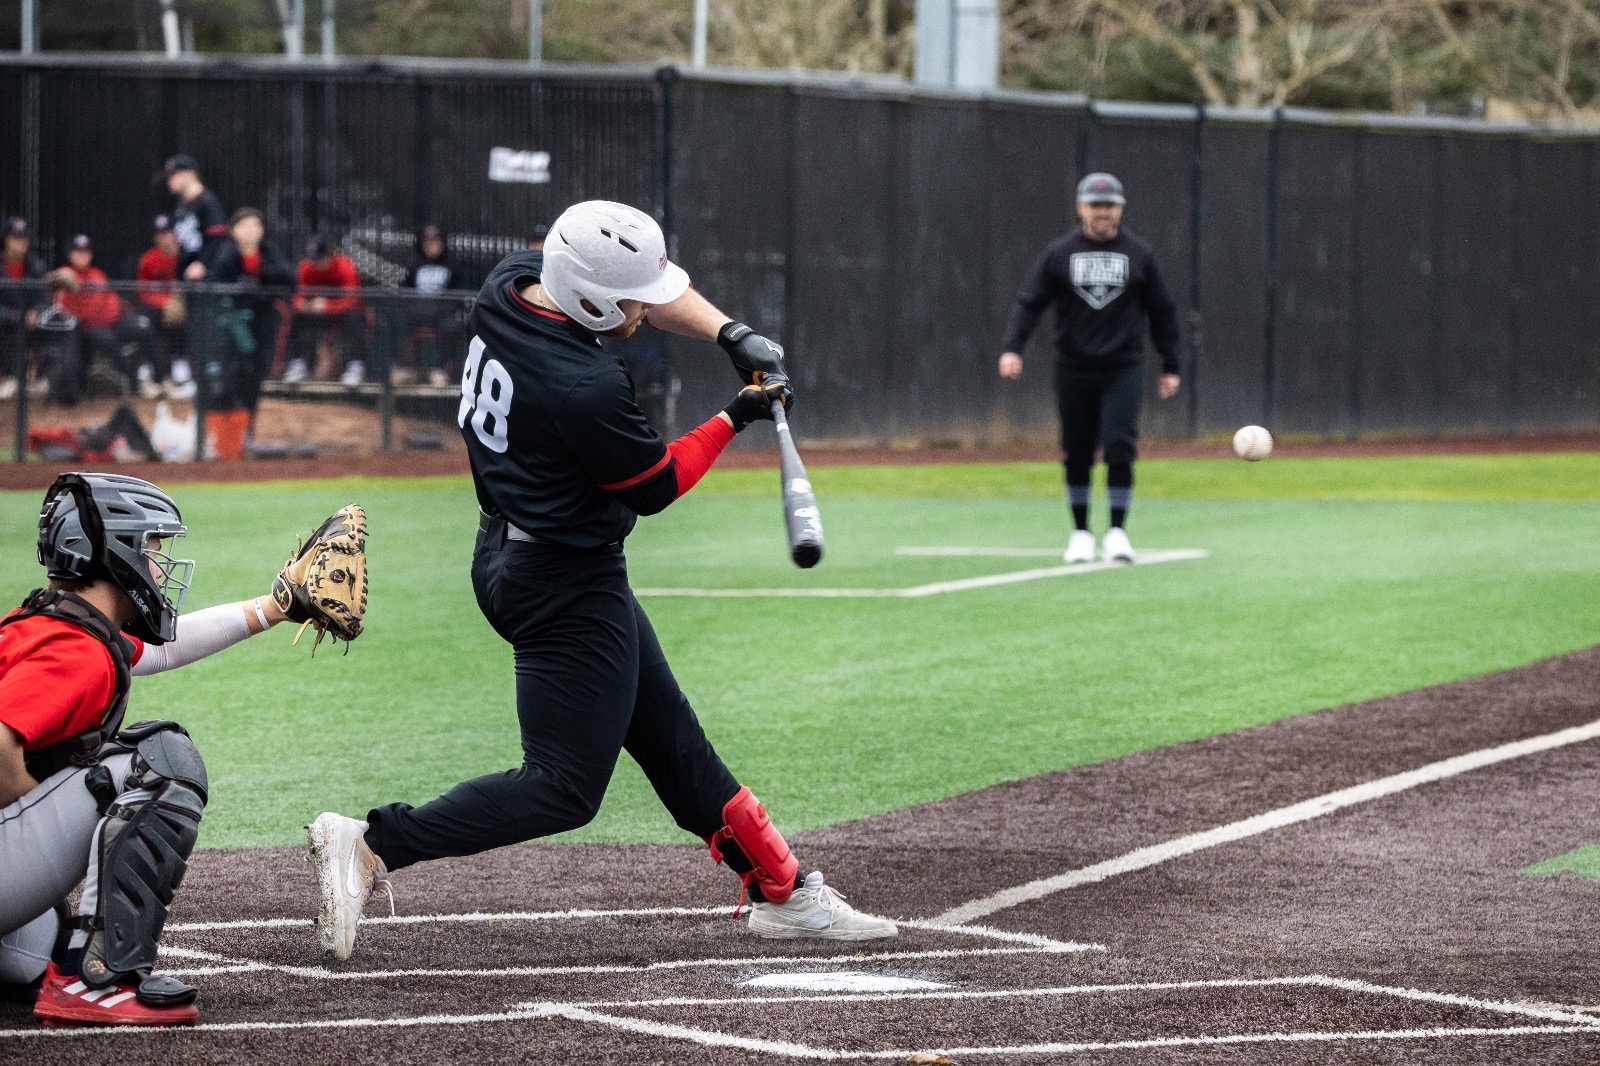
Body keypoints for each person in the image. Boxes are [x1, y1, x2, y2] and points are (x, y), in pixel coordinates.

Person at [306, 200, 897, 961]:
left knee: (670, 738)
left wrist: (729, 332)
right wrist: (735, 414)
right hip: (562, 580)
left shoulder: (512, 285)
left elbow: (642, 291)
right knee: (562, 787)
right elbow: (653, 486)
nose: (649, 314)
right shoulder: (583, 384)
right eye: (634, 305)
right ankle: (372, 843)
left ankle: (782, 890)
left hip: (517, 552)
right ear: (590, 299)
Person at [0, 473, 314, 1027]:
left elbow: (163, 653)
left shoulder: (41, 627)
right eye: (151, 547)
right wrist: (34, 811)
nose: (158, 564)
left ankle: (58, 963)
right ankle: (99, 981)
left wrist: (276, 606)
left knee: (39, 946)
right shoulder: (76, 650)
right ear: (114, 551)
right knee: (158, 760)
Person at [998, 172, 1182, 565]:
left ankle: (1117, 531)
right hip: (1073, 366)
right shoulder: (1059, 253)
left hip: (1122, 367)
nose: (1103, 212)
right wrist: (1013, 348)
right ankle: (1081, 532)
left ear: (1120, 209)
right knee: (1077, 451)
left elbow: (1162, 311)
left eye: (1110, 205)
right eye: (1096, 205)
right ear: (1081, 207)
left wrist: (1171, 363)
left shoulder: (1139, 254)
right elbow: (1030, 301)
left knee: (1119, 445)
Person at [204, 208, 295, 443]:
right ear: (233, 231)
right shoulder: (225, 255)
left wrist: (261, 279)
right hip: (231, 328)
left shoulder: (269, 253)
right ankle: (224, 435)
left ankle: (247, 430)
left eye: (256, 226)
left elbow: (288, 278)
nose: (252, 231)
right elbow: (215, 285)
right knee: (230, 378)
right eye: (245, 226)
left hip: (261, 325)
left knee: (255, 375)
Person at [53, 235, 153, 403]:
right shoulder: (66, 274)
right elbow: (76, 309)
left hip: (111, 323)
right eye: (78, 252)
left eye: (86, 252)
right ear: (70, 255)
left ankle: (157, 378)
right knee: (108, 340)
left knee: (143, 327)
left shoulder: (97, 274)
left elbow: (108, 301)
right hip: (87, 330)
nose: (83, 255)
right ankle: (133, 381)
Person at [286, 235, 364, 385]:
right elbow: (297, 295)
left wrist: (327, 306)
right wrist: (303, 304)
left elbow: (352, 299)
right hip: (315, 314)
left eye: (320, 258)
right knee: (297, 317)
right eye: (313, 258)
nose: (316, 263)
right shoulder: (306, 266)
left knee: (357, 318)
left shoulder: (344, 266)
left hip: (341, 313)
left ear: (330, 255)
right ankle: (298, 364)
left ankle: (355, 367)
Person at [396, 223, 463, 387]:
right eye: (427, 242)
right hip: (418, 311)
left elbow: (458, 294)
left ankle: (440, 369)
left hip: (442, 313)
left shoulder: (452, 264)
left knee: (452, 326)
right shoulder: (415, 263)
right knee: (399, 322)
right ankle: (408, 368)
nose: (431, 245)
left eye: (435, 241)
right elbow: (405, 289)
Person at [135, 215, 193, 400]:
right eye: (160, 234)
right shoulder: (148, 259)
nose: (164, 237)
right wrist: (165, 303)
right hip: (158, 307)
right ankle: (152, 369)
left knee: (189, 318)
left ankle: (182, 366)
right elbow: (142, 291)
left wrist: (179, 301)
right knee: (145, 323)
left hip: (182, 305)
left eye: (167, 233)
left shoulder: (185, 255)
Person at [1, 216, 46, 401]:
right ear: (5, 240)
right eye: (15, 238)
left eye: (24, 238)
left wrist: (36, 311)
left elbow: (43, 299)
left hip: (28, 323)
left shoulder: (35, 266)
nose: (21, 242)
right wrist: (12, 315)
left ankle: (39, 380)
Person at [164, 156, 229, 281]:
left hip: (206, 277)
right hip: (187, 274)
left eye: (174, 175)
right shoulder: (181, 205)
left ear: (190, 174)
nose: (169, 180)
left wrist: (201, 263)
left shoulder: (206, 202)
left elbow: (218, 238)